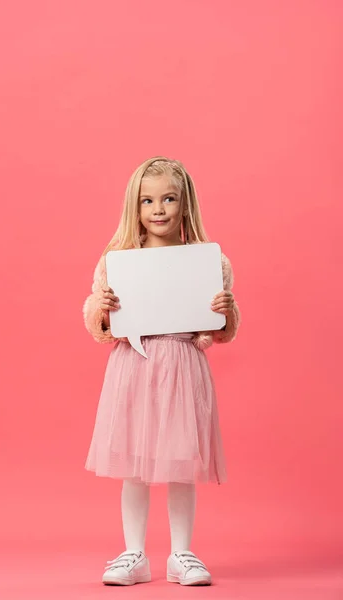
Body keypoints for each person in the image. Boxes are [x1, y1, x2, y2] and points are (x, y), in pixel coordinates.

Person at [83, 156, 241, 586]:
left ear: (185, 204)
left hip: (181, 365)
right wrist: (104, 309)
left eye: (169, 198)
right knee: (135, 465)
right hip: (134, 366)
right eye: (147, 200)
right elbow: (96, 318)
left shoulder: (208, 261)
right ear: (134, 208)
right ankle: (134, 553)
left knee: (178, 463)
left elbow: (219, 330)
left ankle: (181, 553)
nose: (158, 209)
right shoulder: (118, 261)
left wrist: (225, 313)